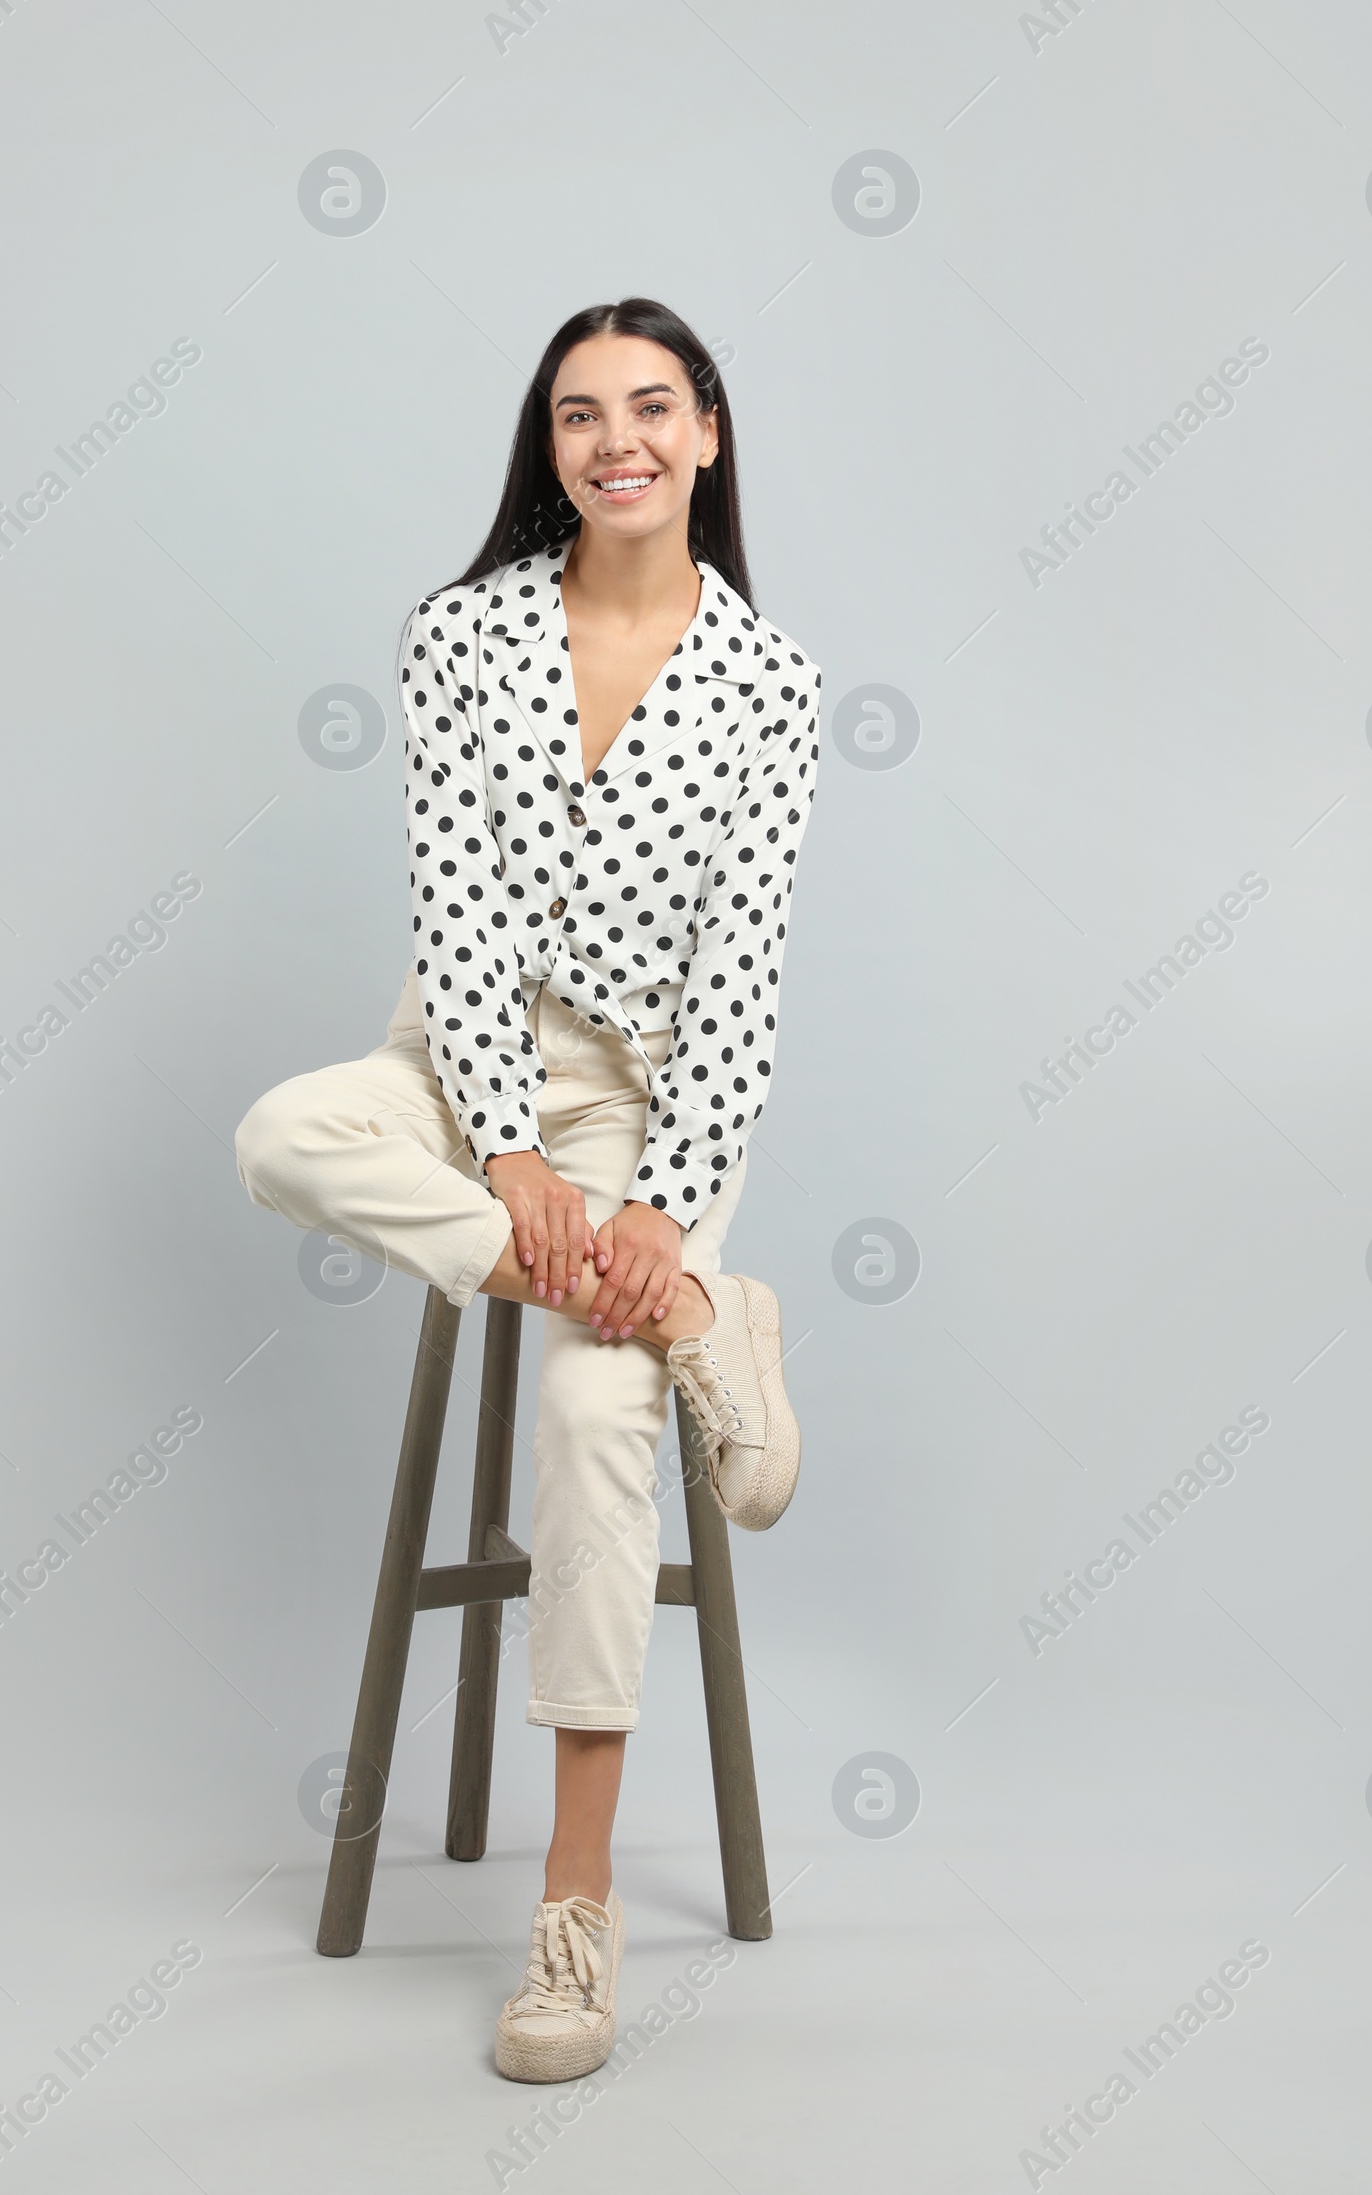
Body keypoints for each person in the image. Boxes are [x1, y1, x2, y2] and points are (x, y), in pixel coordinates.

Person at [234, 296, 820, 2082]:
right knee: (283, 1134)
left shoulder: (772, 684)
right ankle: (699, 1329)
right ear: (548, 444)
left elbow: (745, 978)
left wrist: (647, 1214)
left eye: (651, 408)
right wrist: (499, 1154)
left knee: (584, 1426)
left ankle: (574, 1915)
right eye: (580, 415)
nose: (615, 441)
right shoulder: (464, 638)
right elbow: (460, 914)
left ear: (707, 434)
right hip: (463, 1068)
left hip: (650, 1113)